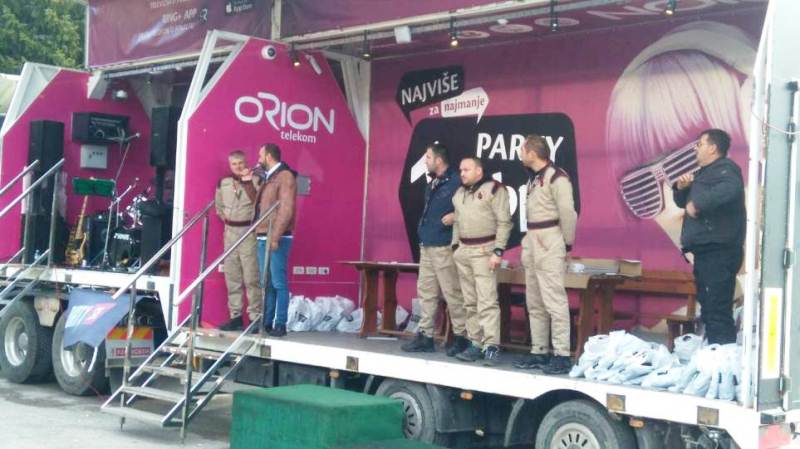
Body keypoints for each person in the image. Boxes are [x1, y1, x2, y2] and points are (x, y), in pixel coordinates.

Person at [512, 135, 578, 375]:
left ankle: (562, 354)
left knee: (554, 299)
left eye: (522, 150)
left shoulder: (557, 177)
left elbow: (568, 213)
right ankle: (539, 350)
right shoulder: (534, 178)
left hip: (550, 238)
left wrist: (567, 244)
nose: (520, 154)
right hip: (533, 239)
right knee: (535, 300)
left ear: (532, 153)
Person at [673, 129, 745, 345]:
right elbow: (681, 202)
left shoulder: (726, 169)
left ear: (713, 148)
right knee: (709, 307)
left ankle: (723, 356)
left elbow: (730, 189)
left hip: (719, 251)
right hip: (706, 251)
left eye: (700, 144)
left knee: (717, 309)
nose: (696, 148)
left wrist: (698, 204)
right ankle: (715, 353)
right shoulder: (703, 173)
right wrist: (681, 188)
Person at [401, 143, 469, 356]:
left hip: (444, 245)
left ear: (439, 160)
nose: (426, 161)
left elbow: (472, 207)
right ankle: (425, 336)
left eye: (428, 157)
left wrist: (456, 216)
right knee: (426, 293)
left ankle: (462, 337)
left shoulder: (457, 181)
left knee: (452, 292)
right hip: (427, 244)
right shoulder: (432, 183)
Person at [451, 157, 512, 366]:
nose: (462, 173)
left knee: (486, 300)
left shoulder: (494, 189)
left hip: (485, 249)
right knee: (469, 301)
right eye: (460, 170)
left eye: (466, 169)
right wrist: (455, 247)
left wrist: (498, 251)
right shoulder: (459, 193)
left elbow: (504, 222)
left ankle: (491, 346)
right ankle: (475, 343)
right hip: (464, 250)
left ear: (479, 171)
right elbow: (457, 221)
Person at [255, 143, 298, 337]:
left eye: (260, 156)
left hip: (276, 235)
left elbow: (286, 209)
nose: (258, 159)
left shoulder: (285, 176)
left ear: (269, 156)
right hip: (263, 233)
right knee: (267, 282)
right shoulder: (268, 177)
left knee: (278, 282)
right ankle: (266, 322)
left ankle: (281, 323)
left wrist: (275, 236)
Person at [215, 150, 261, 331]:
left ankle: (255, 317)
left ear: (246, 162)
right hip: (230, 232)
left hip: (248, 231)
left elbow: (258, 202)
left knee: (251, 276)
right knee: (232, 276)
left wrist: (247, 181)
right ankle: (235, 316)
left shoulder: (256, 180)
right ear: (230, 165)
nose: (238, 166)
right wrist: (228, 220)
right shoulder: (223, 182)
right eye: (234, 164)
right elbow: (219, 206)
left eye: (240, 163)